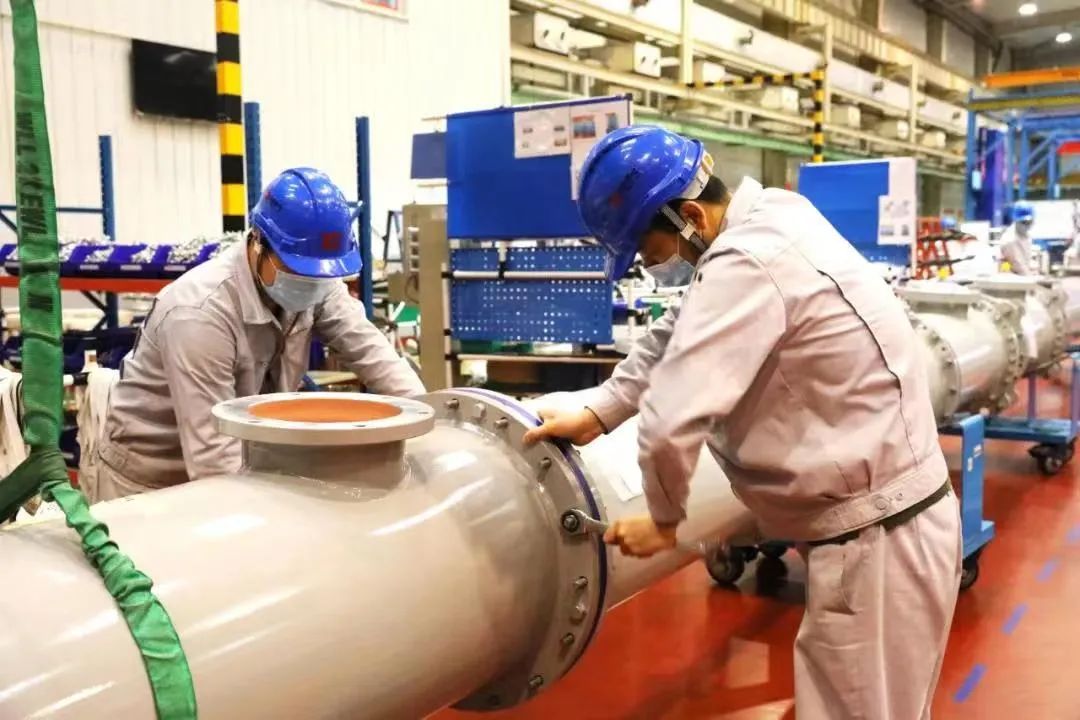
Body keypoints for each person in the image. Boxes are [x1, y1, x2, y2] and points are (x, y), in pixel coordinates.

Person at [523, 126, 961, 719]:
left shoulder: (747, 260)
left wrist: (662, 519)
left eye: (655, 255)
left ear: (688, 218)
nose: (660, 269)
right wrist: (601, 409)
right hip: (885, 525)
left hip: (878, 539)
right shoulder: (774, 217)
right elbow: (679, 330)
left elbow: (677, 409)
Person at [91, 168, 425, 501]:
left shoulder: (319, 285)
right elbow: (214, 459)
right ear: (258, 242)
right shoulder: (199, 313)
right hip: (151, 482)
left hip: (243, 465)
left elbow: (374, 355)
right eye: (299, 270)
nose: (311, 284)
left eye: (320, 274)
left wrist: (429, 423)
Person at [999, 201, 1035, 275]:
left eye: (1029, 222)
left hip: (1021, 275)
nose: (1027, 226)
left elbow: (1027, 260)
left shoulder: (1025, 235)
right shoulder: (1010, 239)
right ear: (1016, 220)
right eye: (1024, 222)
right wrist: (1031, 277)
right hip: (1009, 276)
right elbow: (1018, 265)